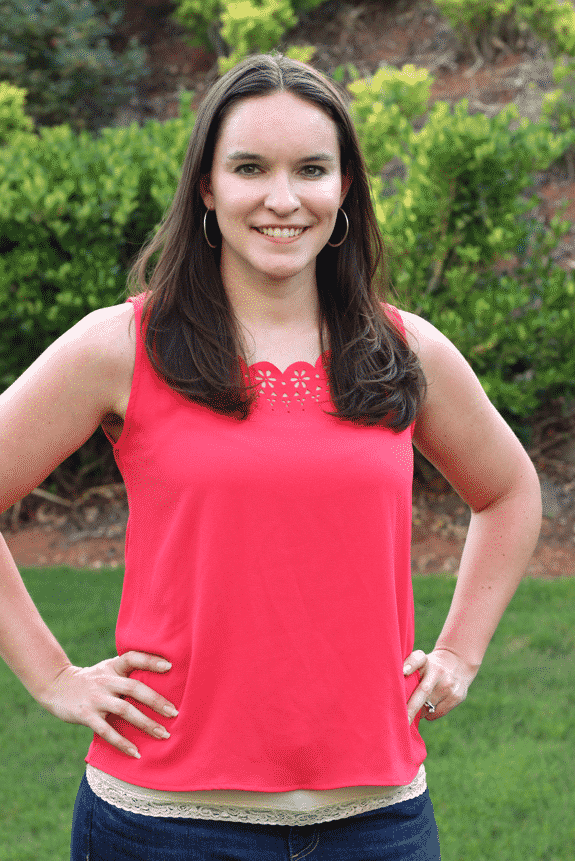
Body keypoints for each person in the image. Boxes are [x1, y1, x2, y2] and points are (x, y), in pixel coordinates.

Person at [0, 52, 541, 861]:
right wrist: (50, 675)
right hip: (162, 824)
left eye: (311, 169)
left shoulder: (404, 349)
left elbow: (507, 492)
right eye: (250, 167)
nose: (282, 199)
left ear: (345, 188)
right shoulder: (120, 347)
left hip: (379, 825)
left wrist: (459, 652)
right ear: (208, 188)